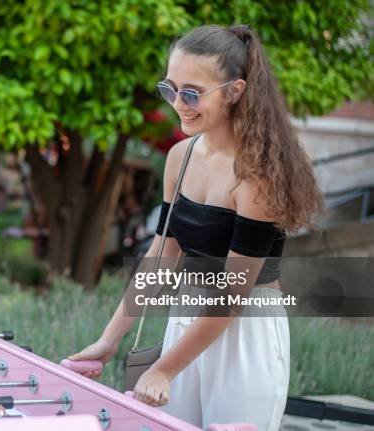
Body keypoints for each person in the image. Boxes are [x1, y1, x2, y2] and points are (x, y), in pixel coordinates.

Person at [69, 24, 324, 430]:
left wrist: (165, 370)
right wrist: (108, 340)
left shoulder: (257, 174)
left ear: (235, 91)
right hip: (187, 318)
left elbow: (233, 296)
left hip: (245, 337)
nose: (178, 104)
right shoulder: (180, 156)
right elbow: (162, 256)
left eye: (191, 93)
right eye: (170, 89)